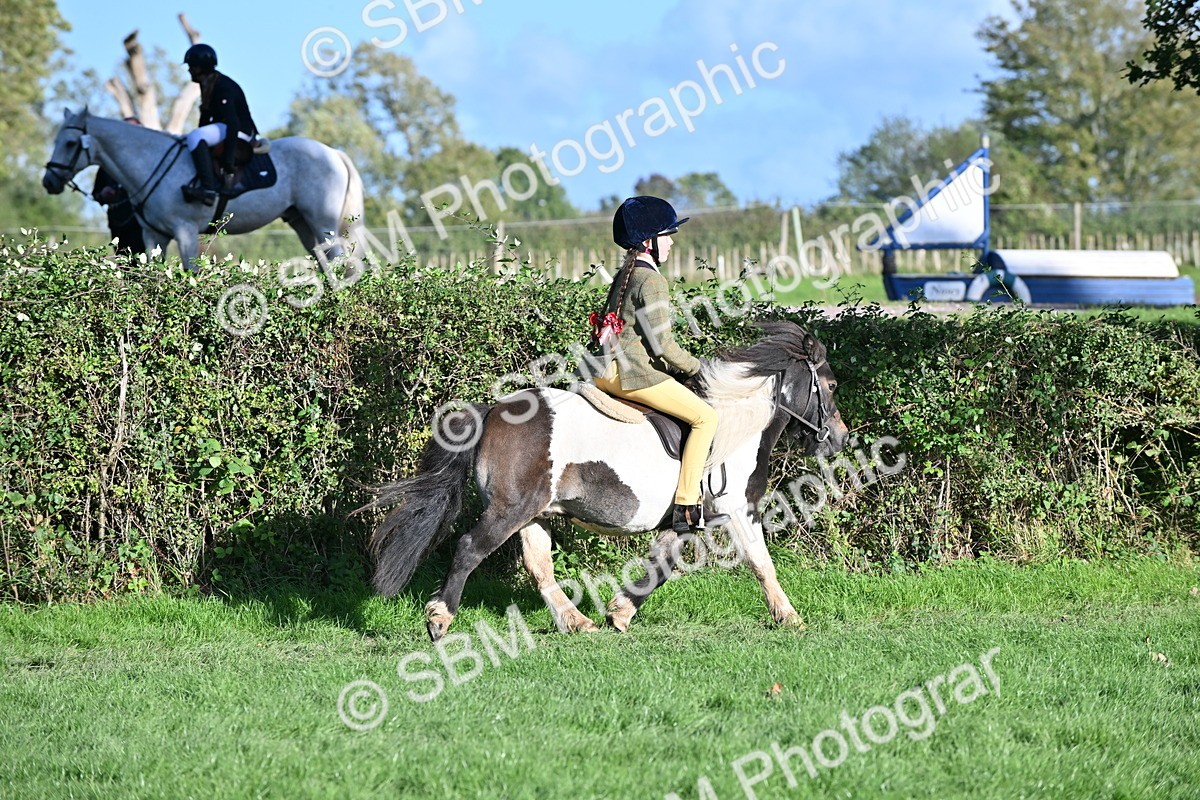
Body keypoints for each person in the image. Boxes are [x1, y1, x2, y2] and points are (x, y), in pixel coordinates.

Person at [592, 196, 723, 533]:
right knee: (706, 418)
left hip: (605, 373)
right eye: (666, 234)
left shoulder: (625, 274)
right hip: (635, 375)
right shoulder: (652, 281)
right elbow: (664, 346)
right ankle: (687, 505)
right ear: (649, 242)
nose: (671, 240)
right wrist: (697, 367)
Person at [180, 43, 259, 205]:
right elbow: (206, 117)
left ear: (201, 67)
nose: (189, 70)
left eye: (192, 67)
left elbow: (233, 123)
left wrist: (229, 161)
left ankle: (208, 190)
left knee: (195, 137)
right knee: (194, 137)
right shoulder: (209, 84)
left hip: (240, 130)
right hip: (228, 127)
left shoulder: (223, 86)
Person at [92, 117, 146, 257]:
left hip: (143, 224)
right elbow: (96, 193)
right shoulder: (108, 162)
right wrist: (103, 194)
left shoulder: (147, 161)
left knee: (146, 266)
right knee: (124, 265)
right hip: (118, 223)